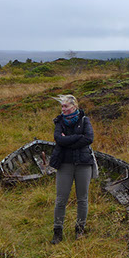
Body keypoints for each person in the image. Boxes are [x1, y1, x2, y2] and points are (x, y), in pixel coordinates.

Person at [47, 94, 98, 244]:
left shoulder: (84, 120)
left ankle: (79, 230)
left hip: (83, 164)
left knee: (82, 199)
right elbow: (59, 139)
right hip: (65, 164)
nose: (63, 109)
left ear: (74, 106)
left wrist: (67, 141)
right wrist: (78, 137)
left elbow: (89, 138)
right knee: (61, 199)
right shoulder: (59, 121)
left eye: (66, 106)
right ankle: (57, 232)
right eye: (62, 106)